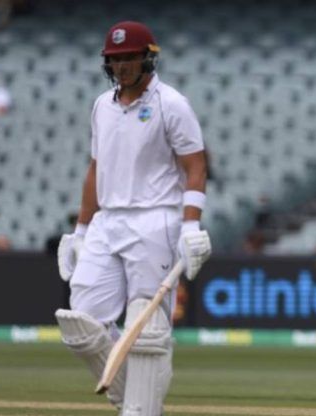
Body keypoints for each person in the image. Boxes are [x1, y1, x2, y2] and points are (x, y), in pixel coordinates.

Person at [53, 21, 211, 415]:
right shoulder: (101, 106)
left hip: (155, 219)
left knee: (149, 330)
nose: (122, 66)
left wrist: (190, 224)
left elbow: (195, 166)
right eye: (115, 59)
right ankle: (132, 396)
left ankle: (141, 409)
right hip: (108, 221)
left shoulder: (170, 104)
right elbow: (95, 170)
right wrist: (80, 230)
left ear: (147, 58)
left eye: (129, 58)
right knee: (81, 323)